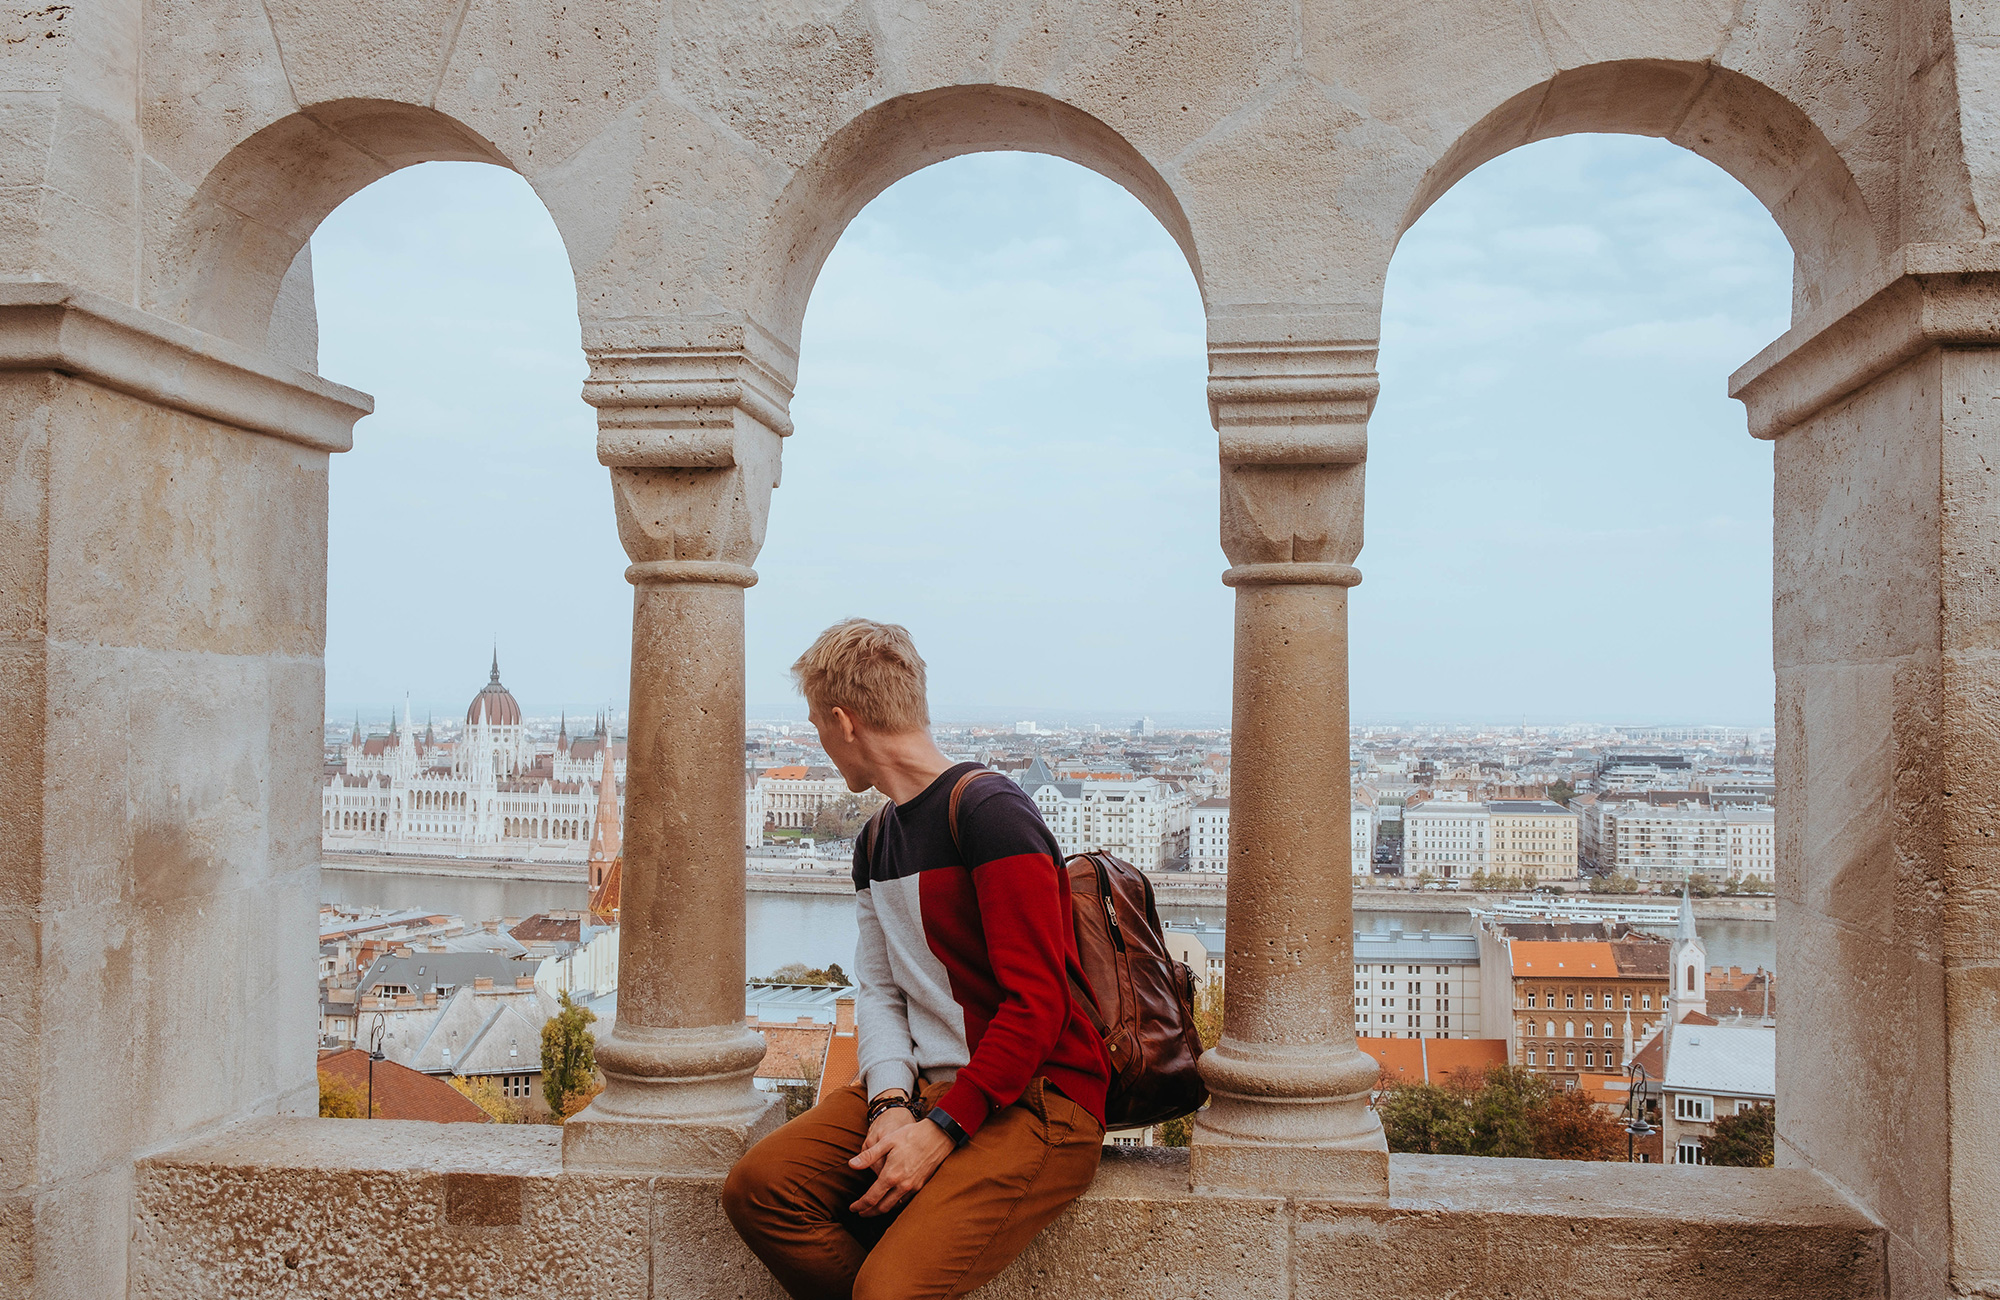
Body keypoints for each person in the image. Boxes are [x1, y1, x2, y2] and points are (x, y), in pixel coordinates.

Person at [723, 618, 1109, 1300]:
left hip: (1037, 1100)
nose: (819, 741)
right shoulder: (876, 842)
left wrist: (942, 1130)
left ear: (844, 722)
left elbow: (1039, 1003)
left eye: (816, 726)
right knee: (763, 1190)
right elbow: (879, 991)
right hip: (931, 1088)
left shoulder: (991, 812)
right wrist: (891, 1106)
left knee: (887, 1291)